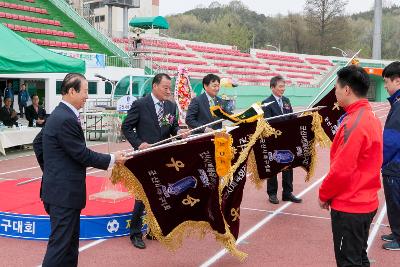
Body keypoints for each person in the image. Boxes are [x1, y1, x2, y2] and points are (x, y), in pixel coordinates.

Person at [36, 73, 130, 267]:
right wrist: (113, 159)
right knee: (60, 246)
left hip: (60, 191)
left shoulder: (59, 114)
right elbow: (82, 154)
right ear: (72, 91)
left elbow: (38, 143)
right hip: (63, 194)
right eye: (86, 91)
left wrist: (51, 170)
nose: (88, 96)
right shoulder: (65, 118)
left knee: (69, 245)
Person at [318, 65, 383, 267]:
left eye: (336, 87)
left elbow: (342, 170)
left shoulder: (354, 123)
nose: (335, 92)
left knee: (348, 261)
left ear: (346, 89)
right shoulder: (369, 116)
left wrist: (323, 194)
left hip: (351, 205)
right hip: (365, 200)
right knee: (359, 257)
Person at [122, 73, 189, 249]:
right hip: (145, 156)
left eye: (169, 88)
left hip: (163, 157)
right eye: (165, 88)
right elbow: (126, 127)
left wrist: (179, 132)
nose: (168, 91)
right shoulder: (140, 104)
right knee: (142, 195)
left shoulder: (171, 105)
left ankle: (153, 230)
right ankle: (135, 233)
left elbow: (172, 127)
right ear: (154, 86)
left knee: (160, 194)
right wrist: (138, 144)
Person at [262, 75, 301, 204]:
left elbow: (291, 116)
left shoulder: (286, 100)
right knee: (274, 166)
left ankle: (287, 192)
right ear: (272, 87)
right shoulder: (266, 103)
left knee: (289, 164)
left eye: (284, 86)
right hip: (274, 140)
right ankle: (272, 193)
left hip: (287, 139)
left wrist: (299, 117)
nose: (283, 89)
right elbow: (267, 122)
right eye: (280, 86)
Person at [381, 61, 400, 251]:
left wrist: (380, 160)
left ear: (398, 81)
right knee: (393, 202)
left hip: (395, 164)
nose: (385, 86)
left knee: (396, 201)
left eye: (387, 82)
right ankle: (396, 231)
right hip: (394, 163)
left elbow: (392, 140)